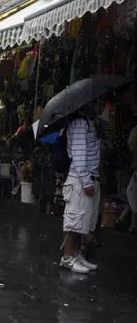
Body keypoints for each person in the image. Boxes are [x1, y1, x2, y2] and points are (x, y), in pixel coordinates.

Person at [60, 102, 102, 274]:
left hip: (89, 178)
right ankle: (67, 258)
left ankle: (76, 255)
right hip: (79, 180)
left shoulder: (90, 123)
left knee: (82, 224)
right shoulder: (79, 124)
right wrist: (86, 181)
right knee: (74, 222)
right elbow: (78, 155)